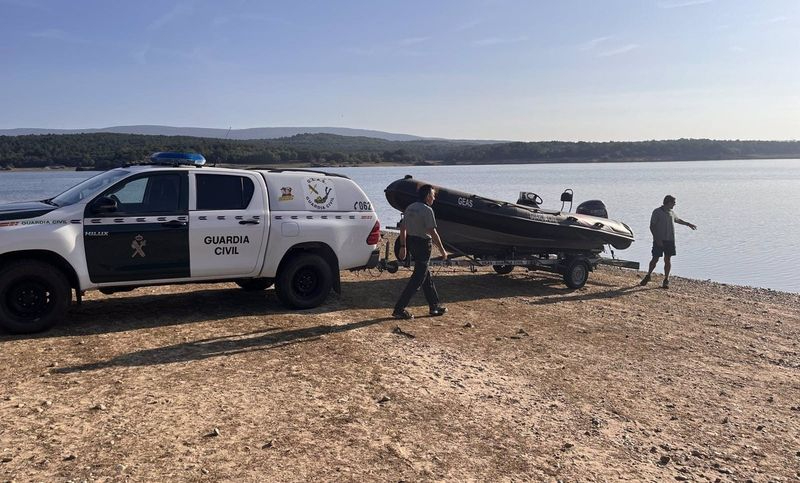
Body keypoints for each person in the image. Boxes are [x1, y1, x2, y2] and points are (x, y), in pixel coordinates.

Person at [392, 184, 449, 319]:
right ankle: (399, 309)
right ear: (428, 196)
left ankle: (434, 306)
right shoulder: (427, 210)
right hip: (423, 245)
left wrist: (403, 246)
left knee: (425, 275)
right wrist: (442, 251)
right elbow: (433, 233)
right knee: (417, 279)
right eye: (433, 196)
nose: (434, 198)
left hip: (412, 243)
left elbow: (403, 228)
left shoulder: (410, 207)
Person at [640, 195, 697, 289]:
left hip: (670, 240)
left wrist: (688, 224)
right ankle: (648, 275)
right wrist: (657, 239)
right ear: (668, 202)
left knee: (668, 260)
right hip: (659, 240)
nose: (675, 204)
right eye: (674, 202)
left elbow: (677, 220)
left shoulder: (671, 212)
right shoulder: (657, 212)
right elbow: (652, 226)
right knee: (655, 259)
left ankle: (666, 279)